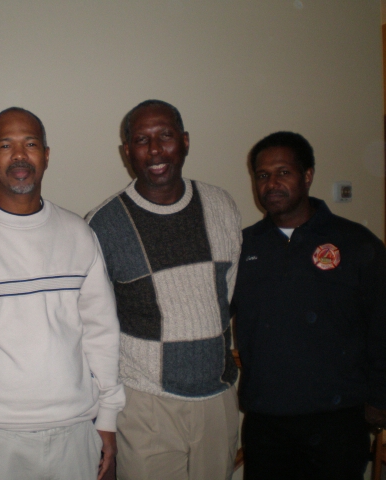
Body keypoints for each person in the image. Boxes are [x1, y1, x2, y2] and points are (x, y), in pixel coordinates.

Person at [0, 107, 125, 480]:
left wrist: (108, 418)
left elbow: (101, 332)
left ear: (46, 155)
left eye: (30, 144)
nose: (19, 156)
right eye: (5, 145)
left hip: (76, 430)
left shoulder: (77, 233)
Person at [86, 99, 242, 480]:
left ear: (185, 142)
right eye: (141, 140)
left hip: (217, 399)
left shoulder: (220, 205)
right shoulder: (103, 224)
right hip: (144, 404)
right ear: (127, 152)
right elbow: (95, 326)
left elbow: (229, 295)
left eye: (166, 136)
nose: (155, 150)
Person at [231, 131, 386, 480]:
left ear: (308, 175)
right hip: (266, 418)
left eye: (283, 172)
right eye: (262, 175)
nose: (271, 183)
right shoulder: (242, 247)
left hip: (338, 418)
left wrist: (380, 396)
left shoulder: (357, 243)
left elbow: (382, 323)